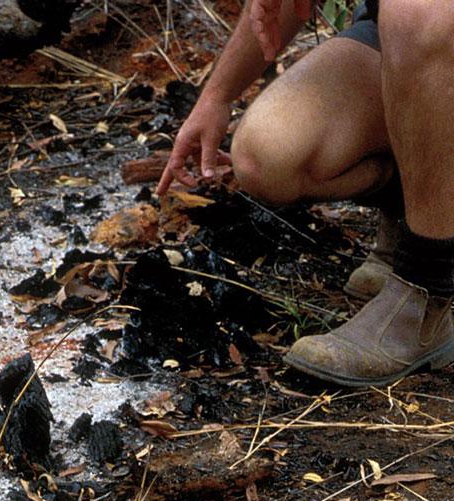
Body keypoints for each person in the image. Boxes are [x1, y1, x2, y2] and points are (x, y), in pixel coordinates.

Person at [157, 0, 454, 387]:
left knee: (417, 12)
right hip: (412, 42)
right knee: (269, 154)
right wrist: (218, 95)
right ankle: (420, 211)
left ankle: (428, 289)